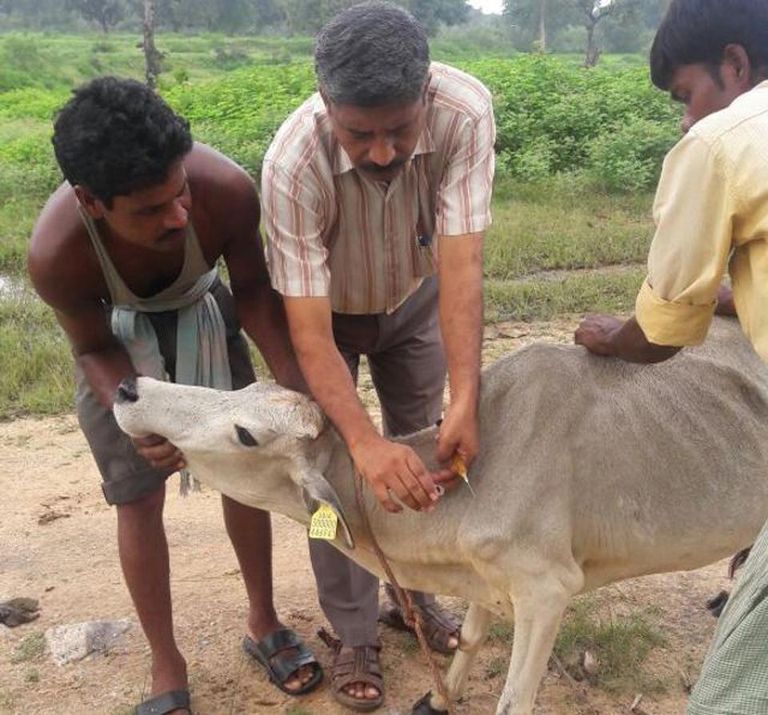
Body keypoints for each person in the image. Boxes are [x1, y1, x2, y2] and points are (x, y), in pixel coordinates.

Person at [27, 77, 322, 715]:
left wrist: (291, 389)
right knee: (138, 496)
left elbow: (253, 296)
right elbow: (92, 349)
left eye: (179, 191)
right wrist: (137, 422)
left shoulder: (226, 193)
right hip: (119, 347)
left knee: (245, 472)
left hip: (209, 319)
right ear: (90, 201)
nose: (178, 216)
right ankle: (166, 661)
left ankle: (264, 622)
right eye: (151, 210)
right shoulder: (57, 255)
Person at [260, 2, 495, 710]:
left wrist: (465, 397)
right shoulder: (290, 165)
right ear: (326, 104)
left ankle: (414, 595)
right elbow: (306, 332)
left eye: (400, 128)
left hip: (415, 299)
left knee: (421, 449)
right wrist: (360, 441)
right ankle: (354, 628)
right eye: (361, 134)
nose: (385, 152)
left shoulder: (465, 113)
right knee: (334, 472)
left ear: (426, 94)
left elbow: (462, 268)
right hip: (328, 319)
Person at [574, 1, 768, 713]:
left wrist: (614, 336)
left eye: (688, 94)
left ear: (736, 64)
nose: (687, 118)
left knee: (738, 685)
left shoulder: (721, 142)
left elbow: (660, 334)